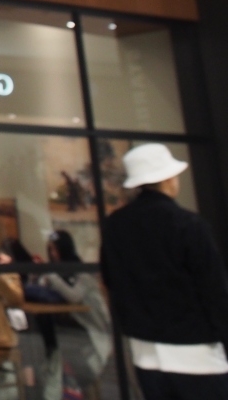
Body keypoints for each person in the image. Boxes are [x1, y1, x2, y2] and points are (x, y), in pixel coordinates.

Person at [102, 143, 228, 400]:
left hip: (145, 351)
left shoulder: (115, 225)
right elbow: (214, 289)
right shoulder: (188, 224)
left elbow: (110, 278)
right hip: (197, 352)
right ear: (169, 179)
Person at [35, 230, 112, 397]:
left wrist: (52, 278)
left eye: (55, 249)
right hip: (74, 327)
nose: (53, 254)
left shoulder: (82, 272)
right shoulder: (60, 273)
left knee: (63, 347)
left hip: (93, 330)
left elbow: (74, 297)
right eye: (50, 250)